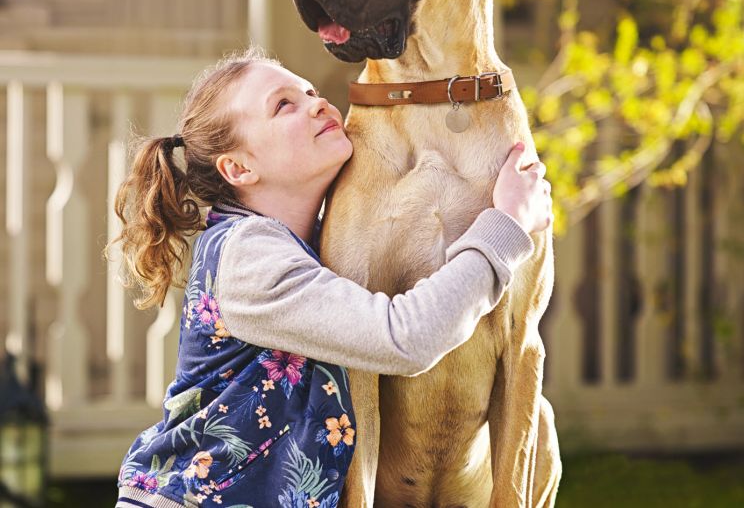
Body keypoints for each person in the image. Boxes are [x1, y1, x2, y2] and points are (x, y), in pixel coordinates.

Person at [111, 48, 552, 508]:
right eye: (284, 105)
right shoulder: (247, 258)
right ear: (239, 168)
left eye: (311, 92)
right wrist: (507, 226)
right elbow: (405, 338)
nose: (317, 103)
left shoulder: (313, 244)